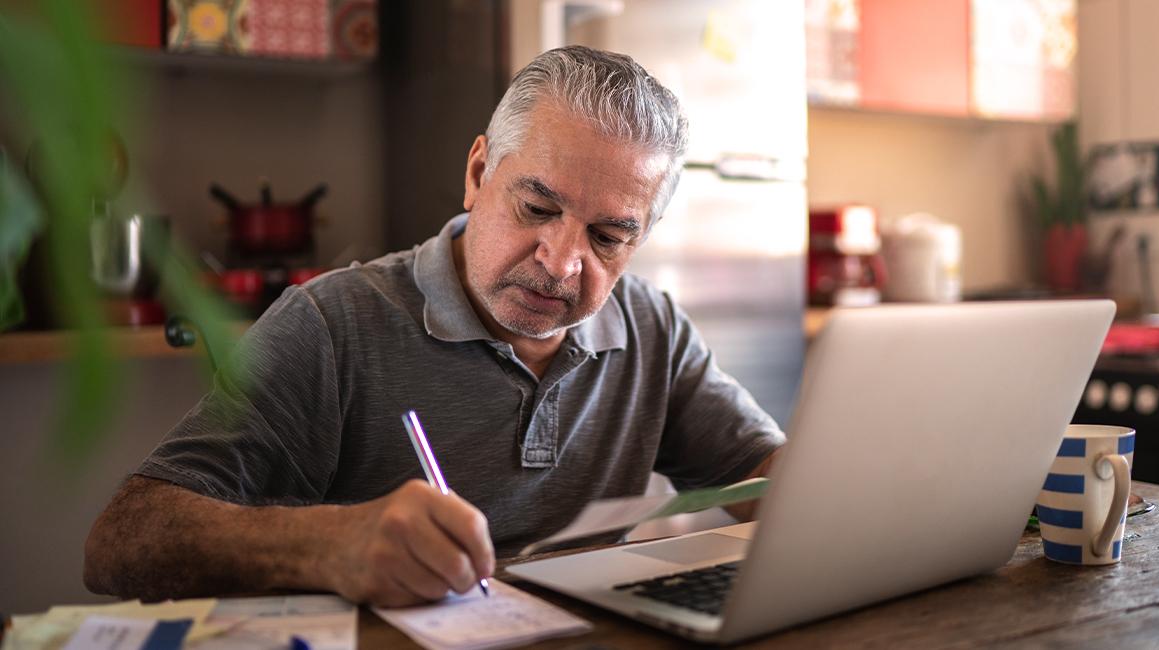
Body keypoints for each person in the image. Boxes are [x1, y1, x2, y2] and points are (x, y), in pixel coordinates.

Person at [83, 46, 785, 608]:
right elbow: (119, 542)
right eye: (538, 208)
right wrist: (327, 543)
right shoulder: (332, 325)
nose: (563, 264)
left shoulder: (652, 329)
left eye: (608, 236)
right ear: (479, 172)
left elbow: (772, 482)